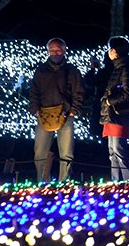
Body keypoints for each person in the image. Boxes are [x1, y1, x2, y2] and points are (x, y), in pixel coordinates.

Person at [29, 37, 84, 182]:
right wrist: (35, 109)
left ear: (64, 50)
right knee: (40, 152)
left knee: (66, 153)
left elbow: (78, 91)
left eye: (58, 49)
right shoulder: (40, 71)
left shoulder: (72, 71)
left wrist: (74, 110)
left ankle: (64, 182)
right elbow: (33, 91)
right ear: (48, 51)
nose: (55, 52)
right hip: (44, 115)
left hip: (66, 115)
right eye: (52, 49)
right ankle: (42, 181)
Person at [100, 36, 129, 181]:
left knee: (118, 148)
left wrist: (109, 101)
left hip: (119, 114)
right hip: (112, 114)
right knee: (112, 150)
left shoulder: (126, 68)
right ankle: (116, 180)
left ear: (115, 51)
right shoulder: (119, 67)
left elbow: (128, 93)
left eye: (110, 49)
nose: (108, 52)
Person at [83, 51, 113, 137]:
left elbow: (90, 82)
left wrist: (93, 69)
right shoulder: (118, 70)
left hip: (101, 103)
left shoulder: (103, 72)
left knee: (101, 130)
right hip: (113, 103)